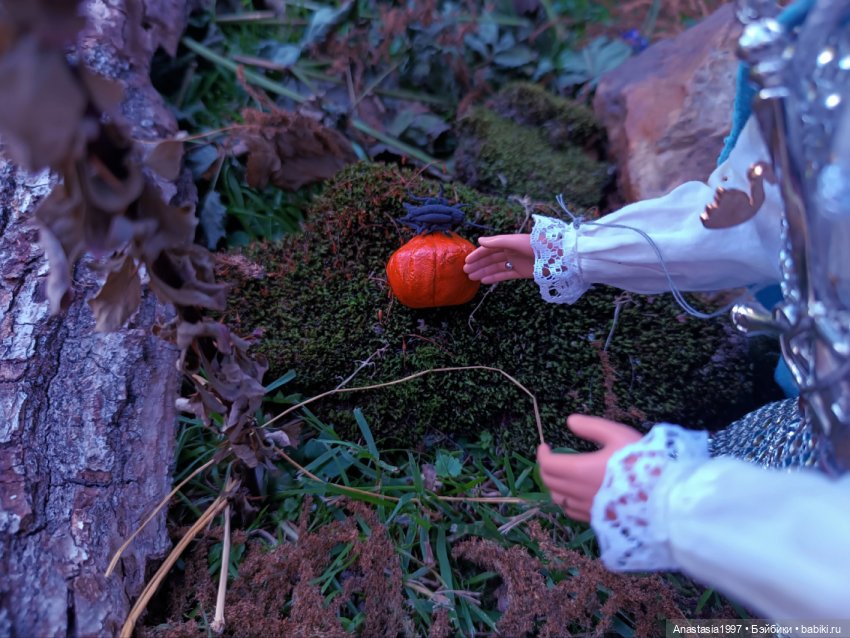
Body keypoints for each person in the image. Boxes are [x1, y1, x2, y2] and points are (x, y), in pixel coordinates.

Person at [462, 1, 850, 618]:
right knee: (734, 464)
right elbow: (757, 216)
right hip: (820, 415)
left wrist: (670, 502)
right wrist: (581, 252)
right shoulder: (828, 43)